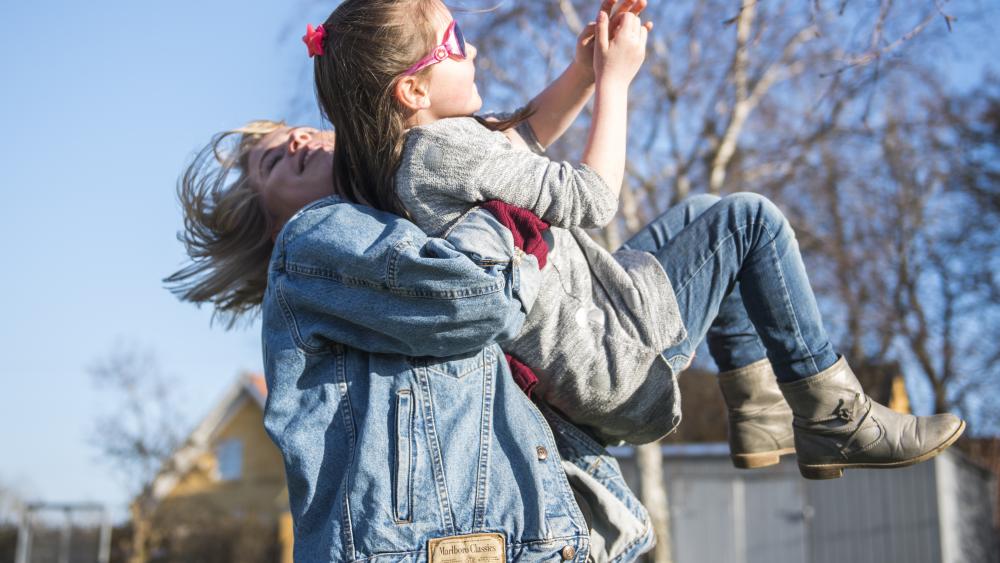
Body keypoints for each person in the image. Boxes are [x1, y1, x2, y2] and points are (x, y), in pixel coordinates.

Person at [308, 0, 965, 478]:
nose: (472, 50)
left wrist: (586, 70)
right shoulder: (441, 151)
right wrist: (616, 85)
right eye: (454, 42)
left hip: (601, 333)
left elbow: (518, 140)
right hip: (616, 365)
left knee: (712, 213)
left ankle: (761, 411)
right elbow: (591, 199)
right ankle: (833, 417)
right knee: (747, 222)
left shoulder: (416, 162)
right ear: (413, 88)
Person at [165, 121, 655, 561]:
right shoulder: (308, 239)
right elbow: (482, 299)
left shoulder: (396, 232)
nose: (298, 140)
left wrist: (584, 75)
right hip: (413, 548)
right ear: (272, 226)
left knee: (721, 223)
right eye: (272, 161)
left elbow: (508, 133)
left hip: (495, 538)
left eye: (302, 129)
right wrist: (498, 210)